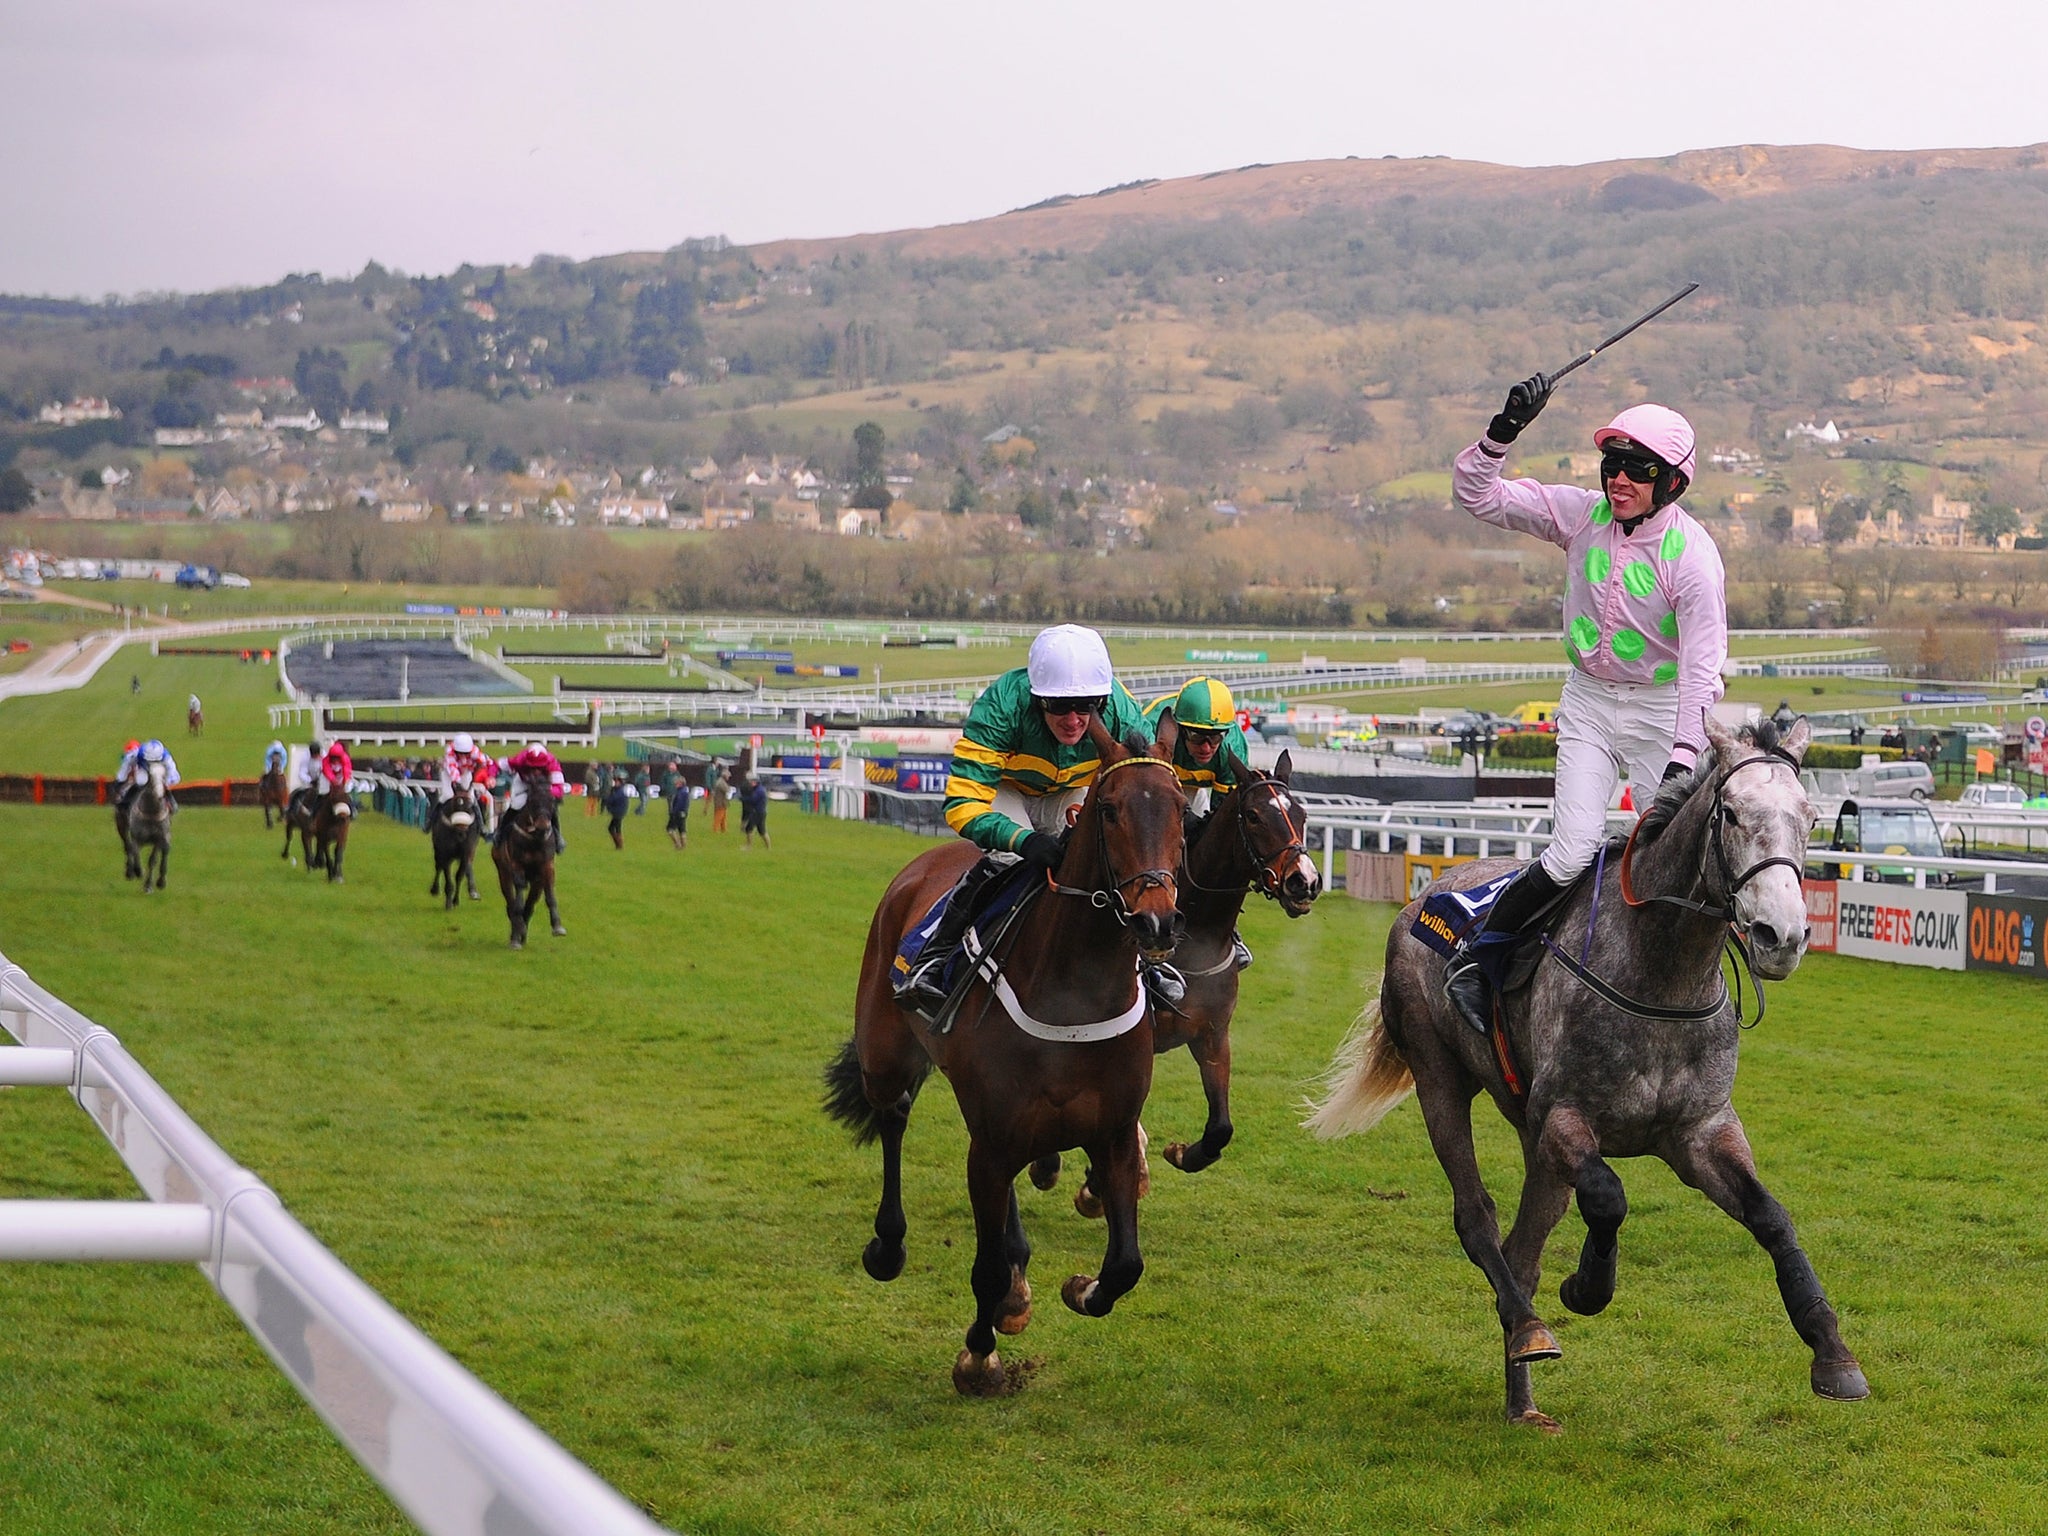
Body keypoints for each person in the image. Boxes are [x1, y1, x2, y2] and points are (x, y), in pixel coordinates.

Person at [1442, 378, 1728, 1034]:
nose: (1619, 479)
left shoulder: (1694, 561)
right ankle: (1478, 960)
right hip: (1591, 703)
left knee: (1676, 860)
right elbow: (1477, 494)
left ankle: (1707, 993)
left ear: (1673, 483)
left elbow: (1701, 675)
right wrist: (1502, 431)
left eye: (1639, 468)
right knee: (1570, 853)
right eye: (1612, 464)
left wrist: (1685, 760)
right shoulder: (1578, 515)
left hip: (1662, 713)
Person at [901, 623, 1148, 1006]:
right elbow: (962, 803)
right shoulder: (1003, 704)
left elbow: (1146, 786)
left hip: (1069, 788)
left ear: (1102, 699)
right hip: (1006, 788)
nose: (1074, 720)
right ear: (1036, 698)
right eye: (1058, 706)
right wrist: (1025, 839)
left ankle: (1151, 966)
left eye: (1087, 706)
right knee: (1008, 857)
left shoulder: (1122, 709)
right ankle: (933, 956)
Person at [1145, 675, 1257, 969]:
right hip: (1148, 787)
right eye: (1196, 737)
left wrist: (1201, 826)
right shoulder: (1151, 729)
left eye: (1215, 738)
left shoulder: (1233, 747)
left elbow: (1222, 822)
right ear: (1180, 729)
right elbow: (1148, 800)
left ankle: (1223, 927)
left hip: (1191, 789)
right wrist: (1182, 817)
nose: (1207, 747)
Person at [496, 741, 567, 852]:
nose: (536, 771)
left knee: (550, 808)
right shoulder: (519, 760)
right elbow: (498, 764)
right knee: (516, 804)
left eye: (539, 768)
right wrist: (490, 775)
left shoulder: (553, 764)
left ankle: (558, 838)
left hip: (544, 787)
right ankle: (500, 834)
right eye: (532, 768)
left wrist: (543, 792)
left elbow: (559, 789)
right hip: (524, 782)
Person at [739, 772, 771, 849]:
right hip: (761, 812)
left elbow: (753, 800)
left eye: (751, 782)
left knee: (749, 828)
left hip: (757, 812)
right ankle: (768, 847)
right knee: (762, 831)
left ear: (755, 782)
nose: (750, 783)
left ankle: (748, 846)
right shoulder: (760, 789)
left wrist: (743, 799)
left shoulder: (759, 791)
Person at [666, 769, 691, 849]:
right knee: (682, 830)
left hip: (677, 813)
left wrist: (673, 812)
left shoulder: (680, 792)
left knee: (670, 829)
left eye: (677, 782)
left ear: (680, 783)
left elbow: (679, 804)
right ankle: (684, 846)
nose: (675, 783)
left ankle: (677, 844)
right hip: (684, 813)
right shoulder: (685, 791)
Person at [604, 775, 630, 849]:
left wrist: (608, 800)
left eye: (617, 782)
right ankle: (618, 844)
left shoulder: (619, 792)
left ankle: (619, 844)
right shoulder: (617, 790)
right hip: (618, 812)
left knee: (613, 828)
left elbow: (612, 800)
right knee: (614, 828)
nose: (615, 783)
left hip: (618, 812)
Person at [710, 763, 731, 832]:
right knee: (718, 817)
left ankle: (723, 829)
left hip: (721, 802)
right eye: (728, 776)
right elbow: (727, 790)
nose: (729, 777)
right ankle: (715, 829)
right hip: (720, 802)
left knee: (723, 817)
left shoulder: (720, 781)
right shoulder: (721, 782)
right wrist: (728, 787)